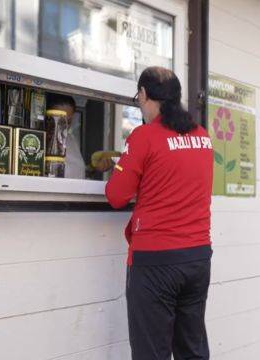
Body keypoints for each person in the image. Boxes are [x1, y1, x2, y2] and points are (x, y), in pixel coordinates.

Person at [105, 66, 214, 360]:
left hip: (156, 262)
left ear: (143, 94)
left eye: (138, 98)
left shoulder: (144, 137)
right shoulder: (202, 137)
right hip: (198, 258)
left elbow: (116, 196)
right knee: (192, 351)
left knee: (151, 353)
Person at [45, 93, 85, 179]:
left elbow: (76, 171)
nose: (65, 126)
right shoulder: (42, 140)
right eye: (60, 120)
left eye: (69, 121)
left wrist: (93, 167)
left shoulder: (71, 139)